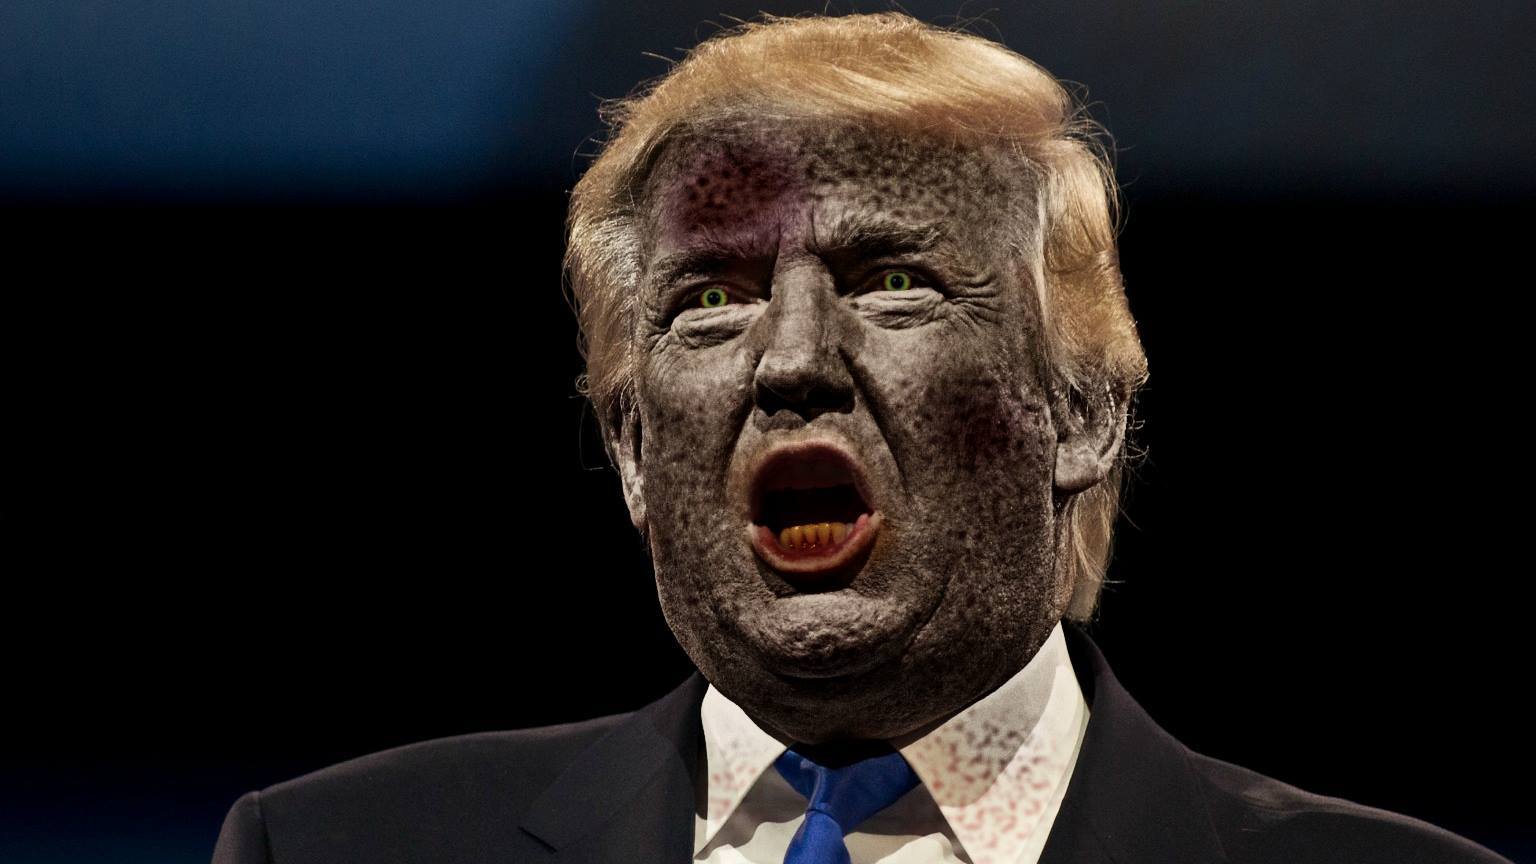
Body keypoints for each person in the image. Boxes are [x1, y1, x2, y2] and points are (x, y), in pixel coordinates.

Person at [212, 13, 1509, 864]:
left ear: (1081, 410)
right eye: (711, 300)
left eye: (892, 281)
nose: (790, 361)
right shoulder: (331, 850)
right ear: (631, 446)